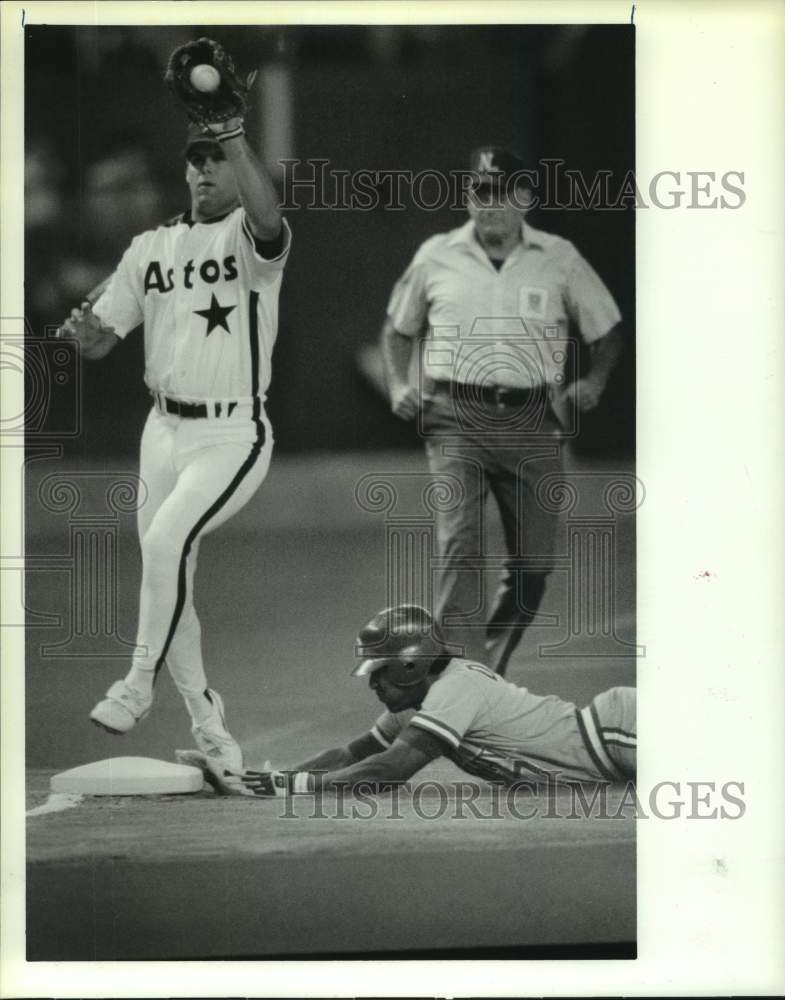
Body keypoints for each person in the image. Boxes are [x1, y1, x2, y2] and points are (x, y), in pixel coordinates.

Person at [57, 67, 290, 769]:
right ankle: (211, 731)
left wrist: (234, 134)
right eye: (197, 161)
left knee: (163, 546)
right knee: (169, 567)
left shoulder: (250, 245)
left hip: (231, 434)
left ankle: (135, 684)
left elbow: (269, 217)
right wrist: (82, 334)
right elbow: (97, 340)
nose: (205, 172)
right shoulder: (149, 249)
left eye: (216, 160)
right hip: (162, 431)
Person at [381, 147, 624, 675]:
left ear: (525, 199)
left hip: (533, 419)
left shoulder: (559, 257)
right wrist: (399, 382)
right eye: (479, 192)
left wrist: (595, 381)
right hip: (454, 414)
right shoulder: (435, 255)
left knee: (535, 565)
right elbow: (398, 330)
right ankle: (462, 674)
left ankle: (486, 666)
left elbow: (607, 331)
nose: (488, 203)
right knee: (460, 546)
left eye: (501, 192)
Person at [179, 604, 636, 798]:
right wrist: (262, 779)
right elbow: (351, 755)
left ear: (410, 666)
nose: (373, 685)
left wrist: (289, 789)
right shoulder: (421, 706)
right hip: (609, 750)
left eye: (379, 672)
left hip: (617, 733)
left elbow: (388, 771)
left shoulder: (455, 690)